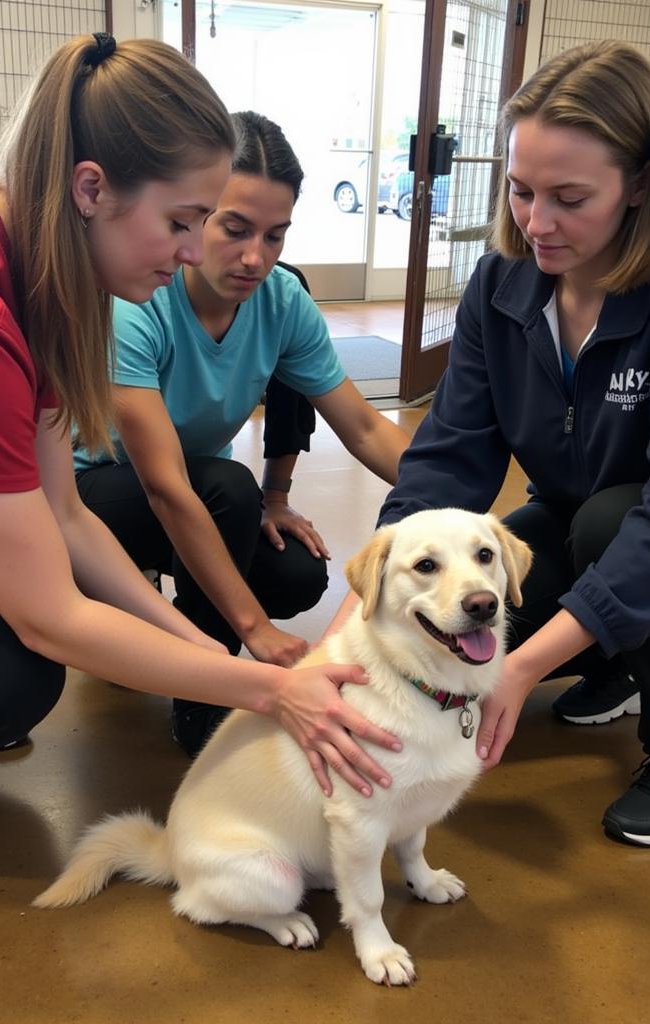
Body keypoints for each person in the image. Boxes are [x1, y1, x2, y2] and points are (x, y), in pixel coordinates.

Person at [0, 36, 402, 854]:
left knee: (9, 613)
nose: (197, 252)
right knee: (7, 682)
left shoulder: (29, 266)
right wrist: (265, 687)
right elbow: (51, 620)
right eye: (185, 221)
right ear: (92, 189)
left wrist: (207, 648)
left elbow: (68, 519)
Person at [376, 40, 650, 847]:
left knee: (605, 536)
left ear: (641, 184)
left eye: (569, 198)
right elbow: (450, 456)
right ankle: (619, 662)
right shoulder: (501, 287)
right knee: (491, 593)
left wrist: (524, 667)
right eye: (520, 190)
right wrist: (373, 586)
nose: (536, 222)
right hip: (589, 516)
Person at [73, 111, 410, 756]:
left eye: (275, 235)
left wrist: (453, 495)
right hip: (99, 494)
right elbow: (166, 487)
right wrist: (252, 631)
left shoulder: (281, 299)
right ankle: (203, 691)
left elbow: (365, 427)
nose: (255, 257)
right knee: (227, 489)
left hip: (200, 490)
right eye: (234, 228)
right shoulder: (137, 302)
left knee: (296, 575)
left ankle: (170, 603)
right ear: (197, 214)